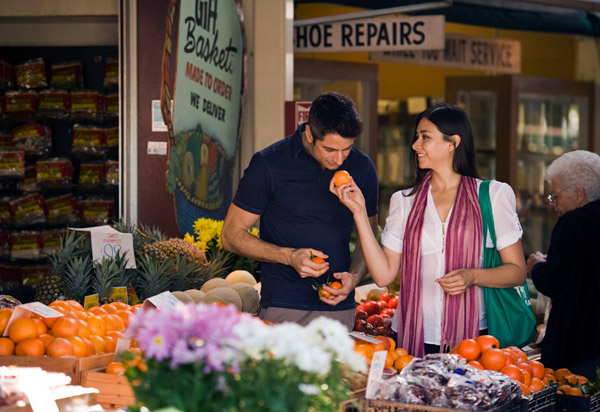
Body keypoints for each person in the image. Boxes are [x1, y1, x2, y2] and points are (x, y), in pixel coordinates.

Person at [330, 103, 526, 357]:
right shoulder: (404, 200)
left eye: (425, 137)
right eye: (417, 137)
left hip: (474, 337)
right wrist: (358, 211)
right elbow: (383, 276)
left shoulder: (492, 195)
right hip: (412, 335)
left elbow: (517, 272)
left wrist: (472, 276)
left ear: (452, 142)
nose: (415, 145)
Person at [221, 92, 379, 330]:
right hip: (284, 307)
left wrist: (354, 278)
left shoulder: (362, 166)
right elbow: (231, 235)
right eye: (329, 149)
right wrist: (289, 256)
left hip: (341, 309)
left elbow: (370, 234)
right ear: (309, 133)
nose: (339, 160)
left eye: (346, 149)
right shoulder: (269, 164)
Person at [526, 150, 600, 380]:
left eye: (555, 196)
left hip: (577, 347)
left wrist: (537, 267)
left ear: (579, 194)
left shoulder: (573, 222)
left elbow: (555, 282)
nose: (553, 204)